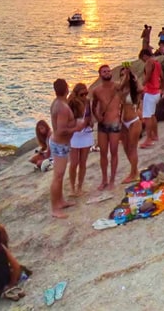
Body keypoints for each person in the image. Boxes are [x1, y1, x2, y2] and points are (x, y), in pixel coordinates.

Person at [49, 78, 87, 218]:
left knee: (59, 176)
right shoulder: (63, 107)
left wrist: (75, 123)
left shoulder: (57, 103)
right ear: (66, 88)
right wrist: (77, 127)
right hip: (59, 145)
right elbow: (61, 131)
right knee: (58, 177)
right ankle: (55, 208)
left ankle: (60, 201)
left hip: (60, 144)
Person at [90, 65, 122, 191]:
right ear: (100, 74)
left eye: (109, 71)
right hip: (102, 125)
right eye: (104, 71)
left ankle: (112, 180)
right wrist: (98, 117)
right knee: (103, 153)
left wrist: (128, 71)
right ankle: (104, 180)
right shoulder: (97, 90)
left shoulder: (117, 86)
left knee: (114, 152)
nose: (107, 73)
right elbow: (93, 106)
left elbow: (126, 83)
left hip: (114, 123)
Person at [67, 83, 94, 196]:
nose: (84, 96)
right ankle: (72, 188)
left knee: (83, 162)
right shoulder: (71, 103)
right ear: (76, 94)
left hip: (86, 133)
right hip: (75, 133)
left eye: (86, 93)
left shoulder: (87, 102)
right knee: (74, 163)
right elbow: (67, 119)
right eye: (82, 94)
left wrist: (90, 122)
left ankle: (80, 187)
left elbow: (89, 116)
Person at [119, 67, 143, 183]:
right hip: (123, 121)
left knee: (132, 148)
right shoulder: (120, 89)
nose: (124, 76)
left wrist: (134, 77)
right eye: (122, 75)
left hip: (133, 121)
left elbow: (141, 89)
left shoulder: (134, 90)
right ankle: (135, 171)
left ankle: (133, 173)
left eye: (126, 74)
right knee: (126, 148)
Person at [139, 48, 164, 148]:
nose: (143, 61)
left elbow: (148, 76)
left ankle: (148, 139)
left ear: (144, 56)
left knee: (147, 116)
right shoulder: (157, 62)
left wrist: (141, 86)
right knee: (152, 115)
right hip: (157, 91)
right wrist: (162, 88)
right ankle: (155, 135)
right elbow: (162, 77)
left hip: (150, 92)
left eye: (142, 59)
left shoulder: (149, 62)